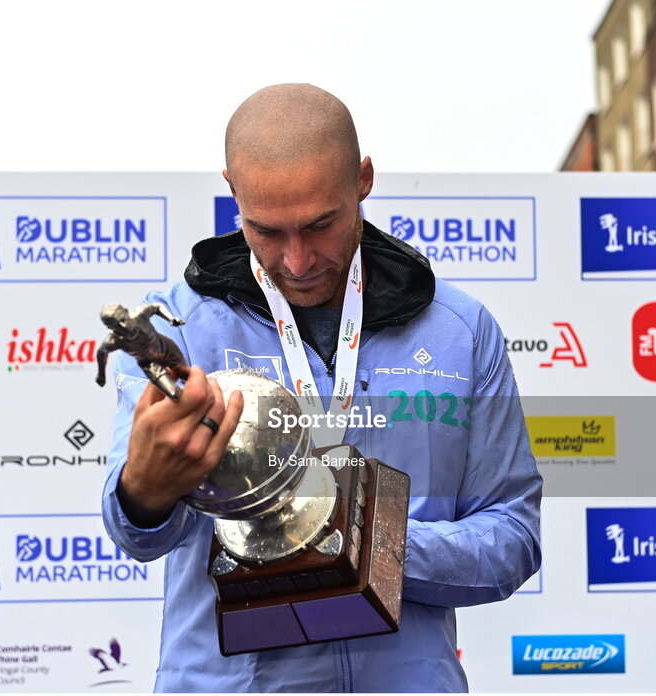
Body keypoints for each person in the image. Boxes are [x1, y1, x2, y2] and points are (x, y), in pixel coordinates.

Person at [102, 83, 542, 692]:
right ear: (231, 188)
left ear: (362, 179)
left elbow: (513, 539)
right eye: (267, 230)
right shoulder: (178, 336)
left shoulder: (460, 331)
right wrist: (143, 493)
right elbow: (136, 533)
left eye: (321, 225)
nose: (299, 259)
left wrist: (361, 542)